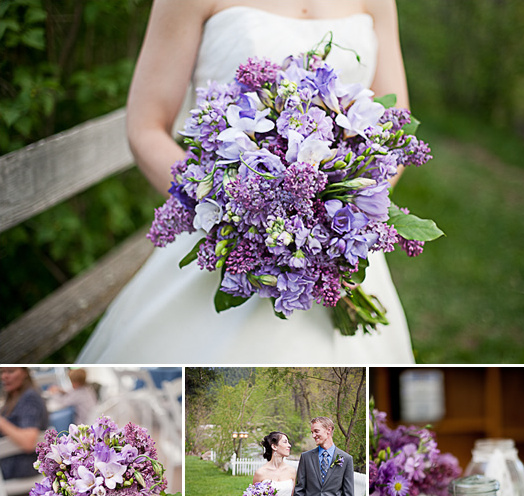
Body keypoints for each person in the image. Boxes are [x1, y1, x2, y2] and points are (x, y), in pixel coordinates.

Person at [78, 0, 415, 364]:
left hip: (339, 240)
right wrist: (233, 214)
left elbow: (395, 126)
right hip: (229, 233)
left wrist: (345, 219)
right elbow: (146, 128)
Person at [0, 367, 49, 479]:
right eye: (2, 372)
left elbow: (28, 441)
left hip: (19, 465)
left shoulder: (29, 398)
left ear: (25, 373)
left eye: (10, 371)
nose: (4, 376)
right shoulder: (13, 397)